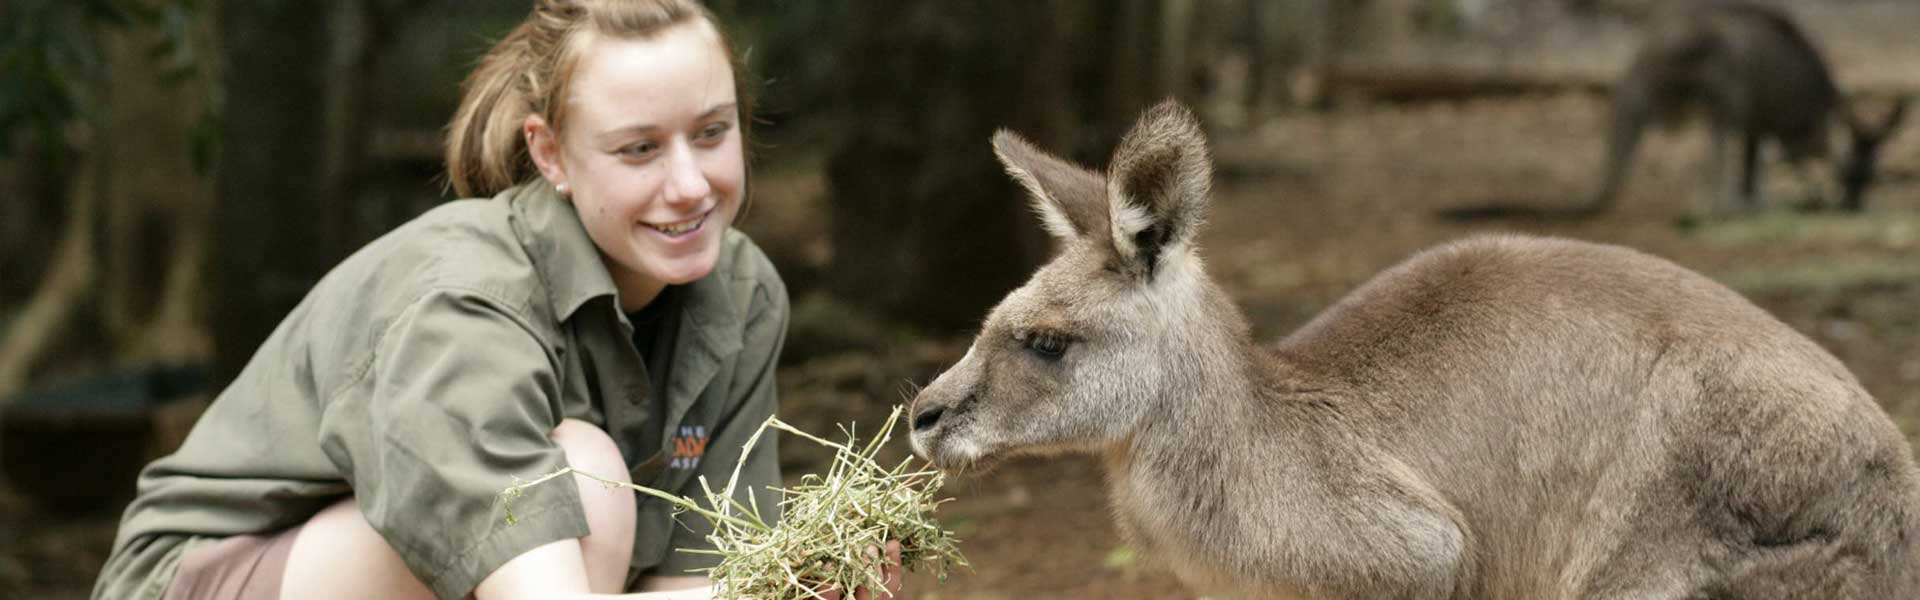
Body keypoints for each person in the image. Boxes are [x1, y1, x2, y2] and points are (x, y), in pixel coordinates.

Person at [91, 1, 901, 599]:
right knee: (585, 481)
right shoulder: (468, 296)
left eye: (713, 133)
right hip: (204, 578)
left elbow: (686, 580)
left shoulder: (740, 289)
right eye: (640, 149)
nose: (690, 186)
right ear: (549, 154)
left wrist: (793, 583)